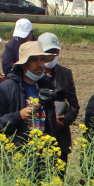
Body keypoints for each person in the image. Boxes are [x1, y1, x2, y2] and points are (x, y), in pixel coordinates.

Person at [0, 41, 57, 147]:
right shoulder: (6, 88)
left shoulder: (46, 87)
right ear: (23, 64)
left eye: (42, 59)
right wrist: (18, 116)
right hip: (17, 156)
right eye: (34, 59)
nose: (39, 64)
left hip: (42, 156)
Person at [39, 32, 80, 167]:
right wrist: (49, 120)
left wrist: (64, 120)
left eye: (56, 52)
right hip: (40, 140)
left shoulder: (65, 74)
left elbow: (74, 105)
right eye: (49, 52)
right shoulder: (34, 75)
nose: (53, 56)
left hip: (61, 139)